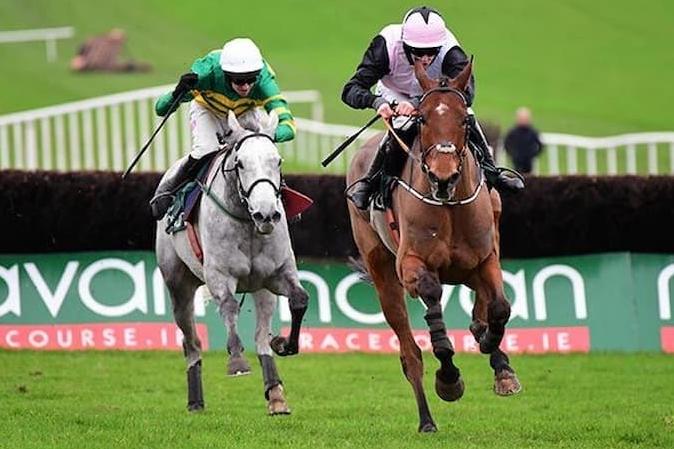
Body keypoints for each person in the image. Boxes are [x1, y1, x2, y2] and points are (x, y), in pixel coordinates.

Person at [341, 6, 524, 210]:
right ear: (406, 44)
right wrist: (378, 103)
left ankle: (492, 172)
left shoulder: (450, 50)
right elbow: (350, 90)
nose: (426, 58)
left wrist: (417, 104)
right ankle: (372, 182)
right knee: (403, 123)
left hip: (436, 95)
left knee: (467, 116)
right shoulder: (385, 45)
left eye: (432, 52)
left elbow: (467, 93)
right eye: (419, 52)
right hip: (393, 92)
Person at [150, 38, 296, 220]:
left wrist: (267, 136)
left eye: (251, 79)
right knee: (206, 149)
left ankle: (278, 196)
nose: (246, 86)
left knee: (260, 152)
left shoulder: (265, 81)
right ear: (225, 74)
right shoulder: (208, 72)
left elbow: (289, 127)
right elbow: (160, 109)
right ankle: (170, 189)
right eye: (239, 80)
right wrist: (178, 92)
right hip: (208, 110)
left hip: (244, 112)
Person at [504, 107, 542, 174]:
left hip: (528, 163)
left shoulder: (532, 132)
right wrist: (513, 154)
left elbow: (540, 145)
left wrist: (532, 154)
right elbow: (506, 144)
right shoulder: (513, 132)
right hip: (516, 163)